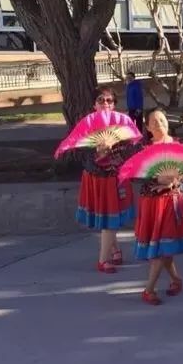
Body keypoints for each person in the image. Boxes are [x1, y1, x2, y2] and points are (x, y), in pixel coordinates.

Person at [134, 108, 183, 305]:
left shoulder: (180, 143)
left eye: (162, 119)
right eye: (155, 121)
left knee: (162, 247)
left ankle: (149, 289)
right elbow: (135, 173)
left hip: (172, 201)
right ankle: (176, 279)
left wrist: (177, 179)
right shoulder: (143, 147)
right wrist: (155, 177)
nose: (160, 123)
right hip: (151, 202)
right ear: (148, 127)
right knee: (162, 245)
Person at [76, 86, 137, 273]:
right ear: (94, 105)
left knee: (111, 219)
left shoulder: (123, 124)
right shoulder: (87, 125)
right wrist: (98, 152)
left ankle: (115, 251)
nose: (105, 103)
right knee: (108, 220)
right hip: (96, 178)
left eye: (109, 100)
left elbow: (133, 149)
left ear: (114, 104)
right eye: (101, 100)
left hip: (115, 178)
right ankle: (103, 260)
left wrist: (115, 150)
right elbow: (81, 153)